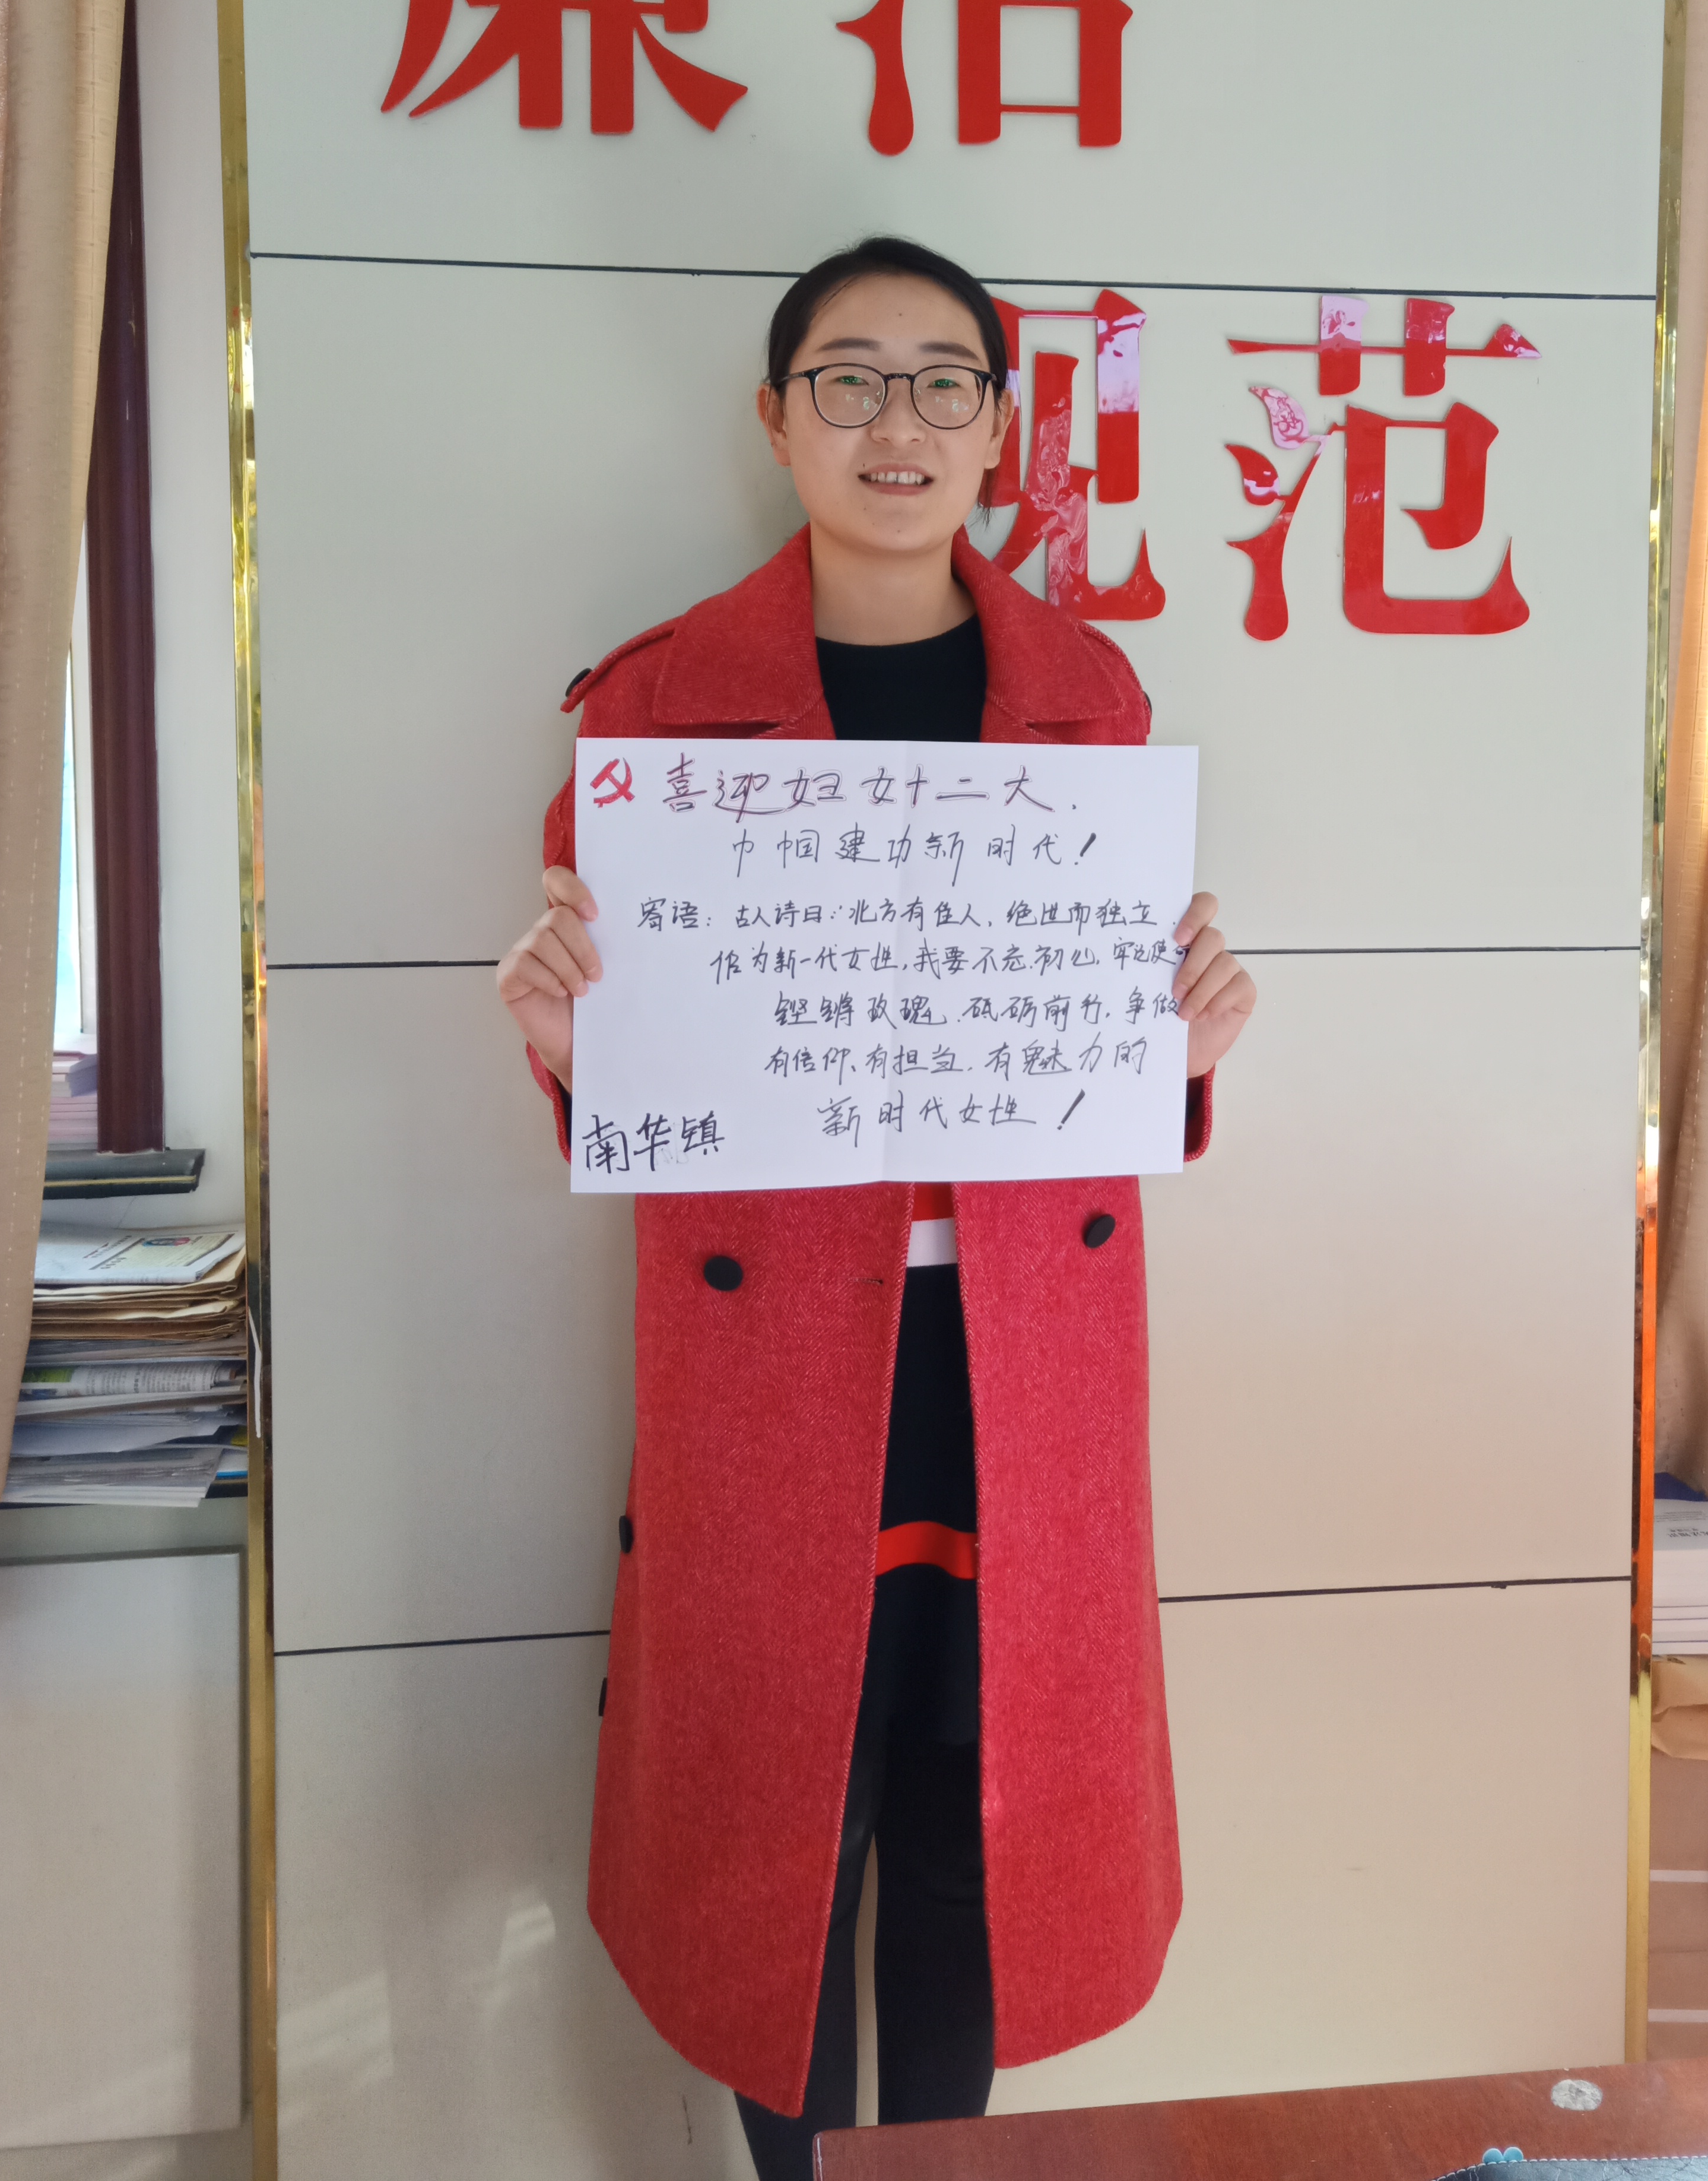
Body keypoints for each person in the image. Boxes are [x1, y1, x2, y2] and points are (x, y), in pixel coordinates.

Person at [495, 237, 1257, 2178]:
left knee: (976, 1810)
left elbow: (1104, 1036)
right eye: (849, 379)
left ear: (999, 431)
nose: (895, 423)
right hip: (772, 1357)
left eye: (943, 382)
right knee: (779, 1820)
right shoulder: (655, 707)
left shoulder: (1088, 695)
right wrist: (571, 1042)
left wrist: (1183, 1041)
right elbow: (638, 1078)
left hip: (1021, 1350)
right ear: (777, 419)